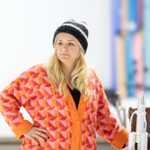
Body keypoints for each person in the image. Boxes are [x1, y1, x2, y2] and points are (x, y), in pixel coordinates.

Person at [0, 19, 128, 150]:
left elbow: (103, 119)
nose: (63, 48)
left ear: (81, 49)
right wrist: (24, 128)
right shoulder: (38, 75)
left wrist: (130, 142)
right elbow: (5, 98)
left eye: (71, 44)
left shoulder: (91, 78)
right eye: (59, 43)